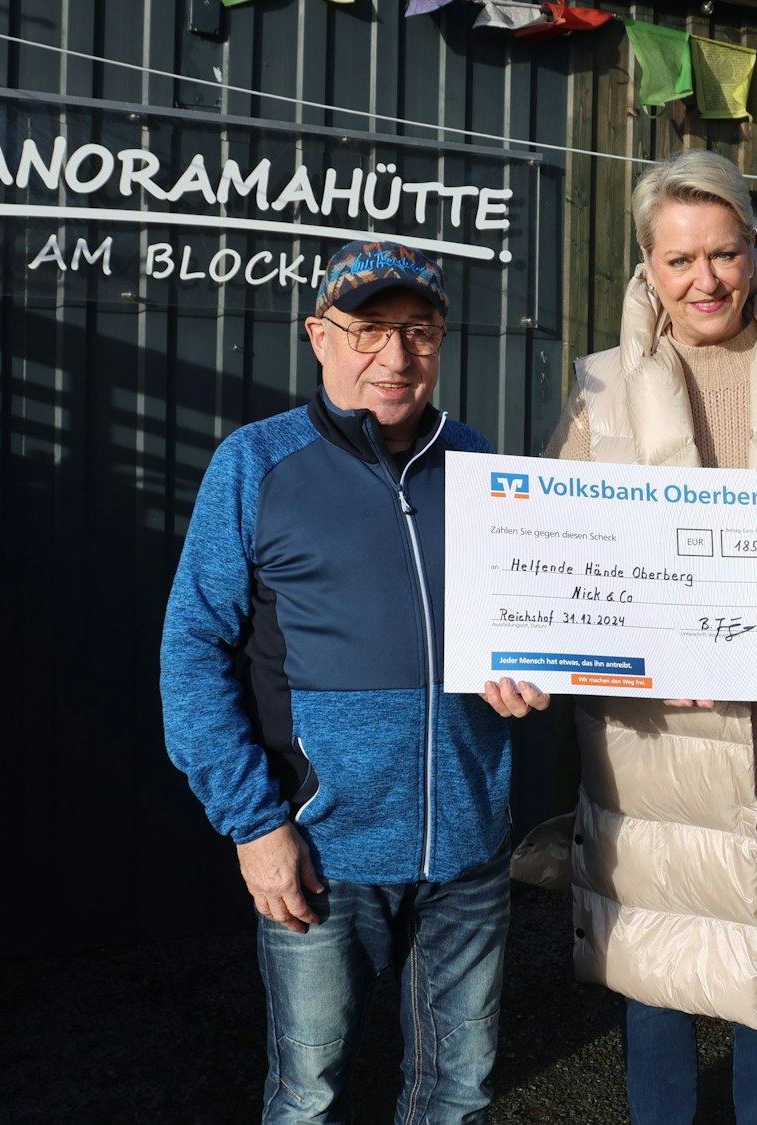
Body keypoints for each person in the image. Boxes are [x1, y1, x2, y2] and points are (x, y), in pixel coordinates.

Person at [517, 148, 757, 1124]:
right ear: (646, 269)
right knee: (656, 978)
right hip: (654, 748)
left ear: (753, 252)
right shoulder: (601, 389)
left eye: (724, 254)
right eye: (678, 260)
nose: (705, 280)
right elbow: (555, 552)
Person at [160, 238, 546, 1125]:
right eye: (368, 330)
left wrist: (527, 663)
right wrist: (255, 825)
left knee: (458, 1093)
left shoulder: (481, 466)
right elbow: (191, 650)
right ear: (318, 336)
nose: (396, 356)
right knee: (310, 1096)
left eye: (419, 331)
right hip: (321, 849)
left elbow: (521, 621)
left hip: (470, 849)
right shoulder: (258, 463)